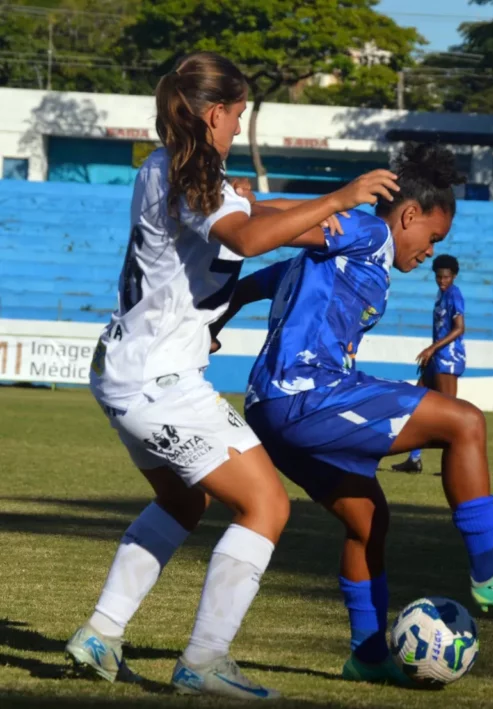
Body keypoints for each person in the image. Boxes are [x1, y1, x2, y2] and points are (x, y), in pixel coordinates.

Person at [66, 52, 400, 700]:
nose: (240, 126)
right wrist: (338, 198)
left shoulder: (161, 165)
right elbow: (245, 238)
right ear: (215, 113)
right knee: (267, 504)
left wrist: (303, 213)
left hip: (123, 367)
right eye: (238, 114)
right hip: (159, 379)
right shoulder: (197, 176)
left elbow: (239, 219)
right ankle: (204, 658)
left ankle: (101, 632)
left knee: (184, 500)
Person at [216, 143, 493, 686]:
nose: (430, 252)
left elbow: (255, 281)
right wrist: (247, 208)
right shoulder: (371, 233)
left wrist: (215, 316)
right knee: (466, 422)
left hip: (268, 407)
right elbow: (297, 224)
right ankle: (491, 566)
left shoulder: (334, 255)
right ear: (408, 216)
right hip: (308, 394)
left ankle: (369, 655)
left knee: (368, 520)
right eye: (433, 237)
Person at [391, 254, 466, 473]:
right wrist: (432, 354)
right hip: (436, 359)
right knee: (416, 403)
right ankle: (414, 459)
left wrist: (432, 348)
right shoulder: (442, 295)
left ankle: (455, 466)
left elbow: (459, 328)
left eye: (446, 277)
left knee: (450, 414)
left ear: (454, 276)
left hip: (448, 359)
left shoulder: (454, 294)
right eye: (439, 277)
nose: (442, 281)